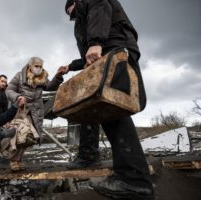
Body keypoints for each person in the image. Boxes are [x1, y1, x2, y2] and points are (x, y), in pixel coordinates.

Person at [61, 1, 154, 199]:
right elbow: (87, 52)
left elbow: (100, 5)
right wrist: (71, 66)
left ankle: (134, 179)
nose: (73, 17)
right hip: (105, 48)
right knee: (90, 106)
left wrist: (96, 41)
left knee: (112, 107)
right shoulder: (85, 20)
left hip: (113, 47)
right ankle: (88, 155)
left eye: (73, 12)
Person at [5, 56, 66, 171]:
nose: (39, 69)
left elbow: (50, 87)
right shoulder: (19, 76)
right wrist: (18, 97)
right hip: (21, 111)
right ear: (30, 66)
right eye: (36, 66)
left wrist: (58, 76)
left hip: (35, 112)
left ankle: (18, 160)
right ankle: (13, 160)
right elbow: (9, 90)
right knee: (19, 135)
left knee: (30, 137)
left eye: (40, 66)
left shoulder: (42, 77)